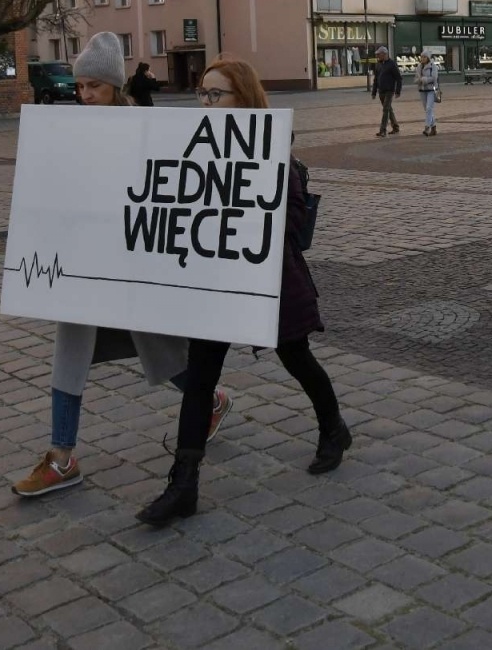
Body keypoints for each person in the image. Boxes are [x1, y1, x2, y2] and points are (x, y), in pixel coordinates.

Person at [12, 33, 228, 499]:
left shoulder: (144, 126)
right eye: (80, 86)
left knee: (159, 350)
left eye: (93, 86)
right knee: (68, 358)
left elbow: (161, 194)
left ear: (113, 84)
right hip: (83, 263)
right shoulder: (67, 128)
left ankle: (209, 397)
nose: (84, 94)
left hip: (132, 263)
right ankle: (61, 457)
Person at [137, 57, 349, 525]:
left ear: (244, 99)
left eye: (217, 95)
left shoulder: (276, 155)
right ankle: (183, 482)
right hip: (215, 287)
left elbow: (291, 227)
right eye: (203, 94)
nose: (207, 103)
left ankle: (334, 428)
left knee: (298, 360)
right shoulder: (193, 150)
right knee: (200, 379)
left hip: (270, 286)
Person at [371, 46, 402, 136]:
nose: (377, 56)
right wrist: (373, 92)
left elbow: (399, 78)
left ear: (384, 54)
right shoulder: (378, 64)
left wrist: (398, 91)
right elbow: (376, 79)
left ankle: (383, 130)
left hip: (389, 90)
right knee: (389, 109)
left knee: (385, 110)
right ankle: (395, 127)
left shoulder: (392, 64)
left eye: (379, 54)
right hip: (381, 91)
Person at [416, 52, 440, 135]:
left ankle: (427, 127)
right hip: (422, 90)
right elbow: (416, 77)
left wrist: (424, 79)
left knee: (429, 108)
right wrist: (418, 81)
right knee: (427, 109)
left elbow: (434, 78)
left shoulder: (433, 66)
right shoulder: (419, 66)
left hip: (431, 89)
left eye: (424, 57)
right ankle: (434, 128)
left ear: (428, 58)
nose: (422, 58)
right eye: (421, 57)